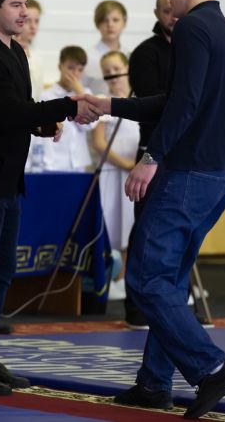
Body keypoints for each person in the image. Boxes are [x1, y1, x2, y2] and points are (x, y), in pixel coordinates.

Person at [75, 0, 225, 419]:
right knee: (168, 280)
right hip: (220, 172)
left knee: (147, 277)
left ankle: (212, 367)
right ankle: (154, 383)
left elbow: (184, 105)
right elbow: (176, 100)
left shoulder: (191, 27)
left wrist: (150, 158)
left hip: (189, 171)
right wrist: (110, 105)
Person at [0, 0, 98, 396]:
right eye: (15, 4)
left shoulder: (14, 50)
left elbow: (17, 109)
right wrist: (67, 106)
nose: (24, 12)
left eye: (26, 3)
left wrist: (42, 123)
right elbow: (6, 113)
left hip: (7, 179)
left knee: (1, 272)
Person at [123, 0, 177, 327]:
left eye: (176, 9)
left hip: (184, 153)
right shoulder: (146, 52)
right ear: (157, 13)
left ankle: (175, 302)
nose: (172, 15)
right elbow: (151, 103)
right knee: (146, 229)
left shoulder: (193, 47)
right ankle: (136, 304)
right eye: (166, 10)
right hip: (153, 150)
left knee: (176, 232)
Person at [91, 51, 139, 301]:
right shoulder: (103, 101)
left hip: (135, 174)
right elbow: (99, 143)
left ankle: (124, 278)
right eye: (107, 72)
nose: (113, 76)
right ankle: (108, 277)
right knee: (110, 225)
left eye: (117, 69)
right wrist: (126, 164)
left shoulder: (140, 100)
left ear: (127, 68)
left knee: (131, 225)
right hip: (112, 173)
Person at [37, 45, 93, 172]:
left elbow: (90, 125)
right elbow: (44, 131)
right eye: (70, 68)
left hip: (79, 162)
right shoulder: (46, 96)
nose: (75, 74)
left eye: (80, 70)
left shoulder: (86, 93)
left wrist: (80, 93)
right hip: (54, 162)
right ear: (59, 66)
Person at [85, 0, 128, 94]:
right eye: (105, 20)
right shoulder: (87, 57)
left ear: (124, 23)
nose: (110, 25)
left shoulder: (129, 56)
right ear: (97, 24)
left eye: (115, 20)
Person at [13, 0, 46, 97]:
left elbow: (38, 94)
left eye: (36, 21)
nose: (33, 26)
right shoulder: (8, 52)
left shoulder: (37, 57)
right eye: (27, 21)